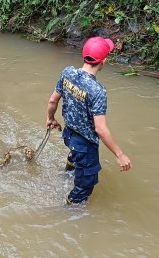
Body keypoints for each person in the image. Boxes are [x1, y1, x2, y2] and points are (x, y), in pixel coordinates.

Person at [46, 36, 131, 204]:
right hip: (84, 144)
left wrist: (50, 119)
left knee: (75, 153)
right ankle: (71, 208)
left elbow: (52, 100)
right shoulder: (98, 91)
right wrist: (120, 154)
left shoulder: (67, 72)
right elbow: (100, 129)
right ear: (103, 61)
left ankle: (68, 172)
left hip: (68, 134)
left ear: (84, 56)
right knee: (85, 186)